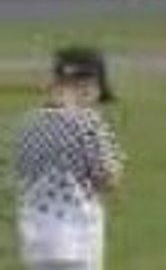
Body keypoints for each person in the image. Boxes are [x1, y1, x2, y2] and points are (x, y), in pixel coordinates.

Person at [11, 47, 124, 270]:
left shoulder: (28, 124)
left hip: (36, 238)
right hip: (77, 239)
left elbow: (22, 172)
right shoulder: (89, 124)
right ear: (90, 85)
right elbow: (108, 179)